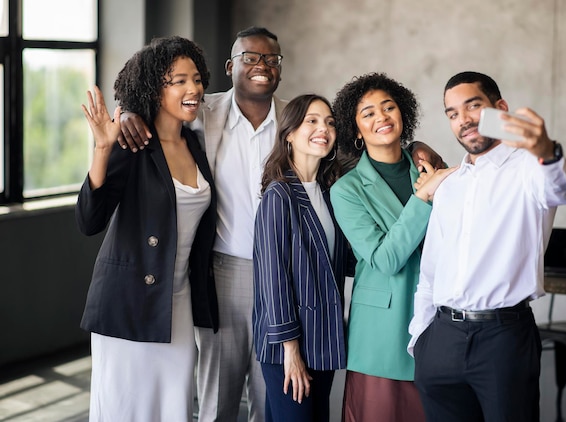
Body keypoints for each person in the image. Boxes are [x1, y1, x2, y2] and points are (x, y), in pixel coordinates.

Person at [118, 26, 287, 422]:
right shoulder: (201, 112)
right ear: (231, 67)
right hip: (223, 271)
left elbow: (343, 149)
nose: (261, 65)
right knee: (216, 400)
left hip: (283, 274)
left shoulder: (296, 120)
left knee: (272, 398)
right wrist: (125, 111)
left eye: (271, 59)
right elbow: (153, 102)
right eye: (251, 57)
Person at [408, 71, 566, 421]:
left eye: (473, 106)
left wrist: (546, 150)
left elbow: (559, 188)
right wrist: (420, 342)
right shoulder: (450, 185)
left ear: (500, 108)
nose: (463, 119)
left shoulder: (530, 168)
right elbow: (431, 272)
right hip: (441, 340)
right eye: (452, 113)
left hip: (504, 340)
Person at [75, 36, 217, 421]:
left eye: (197, 79)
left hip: (178, 304)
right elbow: (89, 220)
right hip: (128, 304)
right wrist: (102, 149)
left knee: (174, 408)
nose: (194, 89)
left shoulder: (196, 143)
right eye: (180, 81)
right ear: (155, 88)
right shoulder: (131, 143)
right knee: (126, 410)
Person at [329, 72, 456, 422]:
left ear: (404, 114)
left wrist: (430, 181)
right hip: (382, 331)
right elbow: (385, 259)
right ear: (355, 129)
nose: (381, 117)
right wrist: (423, 199)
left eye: (389, 107)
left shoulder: (429, 168)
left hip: (438, 323)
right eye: (367, 113)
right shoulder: (346, 190)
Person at [252, 94, 348, 422]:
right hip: (288, 347)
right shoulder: (279, 195)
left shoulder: (329, 191)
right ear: (289, 133)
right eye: (312, 120)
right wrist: (290, 351)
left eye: (330, 122)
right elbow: (273, 279)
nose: (323, 128)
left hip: (322, 339)